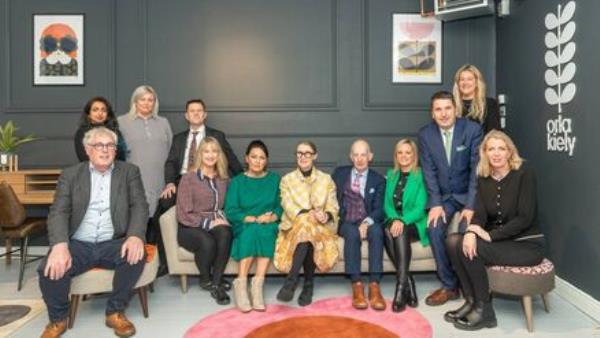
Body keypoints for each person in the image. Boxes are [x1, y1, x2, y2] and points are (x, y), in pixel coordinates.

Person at [38, 127, 148, 338]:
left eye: (110, 146)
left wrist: (135, 236)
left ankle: (115, 311)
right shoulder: (70, 175)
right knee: (48, 269)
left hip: (112, 241)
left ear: (116, 150)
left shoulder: (129, 172)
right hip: (78, 243)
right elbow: (58, 211)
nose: (105, 150)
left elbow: (139, 206)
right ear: (87, 149)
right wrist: (60, 245)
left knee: (136, 255)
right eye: (99, 145)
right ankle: (58, 319)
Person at [445, 130, 545, 330]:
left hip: (526, 244)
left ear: (510, 152)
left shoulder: (524, 173)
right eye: (491, 149)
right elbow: (480, 214)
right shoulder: (484, 177)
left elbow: (525, 218)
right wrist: (472, 232)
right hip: (500, 242)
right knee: (454, 241)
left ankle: (485, 311)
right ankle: (472, 301)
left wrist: (489, 236)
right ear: (485, 153)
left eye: (501, 148)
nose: (496, 153)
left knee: (474, 249)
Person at [153, 99, 242, 275]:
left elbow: (231, 159)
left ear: (205, 114)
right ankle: (165, 262)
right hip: (183, 180)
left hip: (209, 179)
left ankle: (203, 236)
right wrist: (170, 182)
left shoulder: (217, 135)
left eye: (199, 110)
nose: (195, 113)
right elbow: (170, 162)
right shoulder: (179, 138)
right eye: (192, 111)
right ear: (186, 115)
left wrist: (243, 180)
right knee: (162, 206)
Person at [418, 91, 483, 306]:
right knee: (434, 228)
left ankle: (471, 287)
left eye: (447, 108)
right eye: (438, 109)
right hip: (444, 197)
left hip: (468, 194)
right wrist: (436, 203)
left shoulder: (472, 130)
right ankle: (449, 286)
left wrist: (471, 204)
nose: (444, 113)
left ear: (455, 109)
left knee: (467, 232)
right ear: (432, 113)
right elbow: (428, 171)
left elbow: (477, 170)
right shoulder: (425, 134)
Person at [274, 141, 339, 306]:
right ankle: (308, 284)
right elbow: (287, 205)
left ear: (314, 156)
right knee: (305, 225)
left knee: (309, 229)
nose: (303, 157)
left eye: (307, 153)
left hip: (320, 228)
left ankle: (291, 282)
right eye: (299, 153)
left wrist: (326, 215)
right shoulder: (286, 180)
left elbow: (333, 206)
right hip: (294, 228)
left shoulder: (326, 179)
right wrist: (306, 215)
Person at [225, 140, 282, 312]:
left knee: (265, 230)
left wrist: (273, 217)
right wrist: (245, 217)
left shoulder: (275, 180)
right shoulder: (237, 182)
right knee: (251, 231)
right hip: (245, 224)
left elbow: (281, 206)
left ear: (266, 161)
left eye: (262, 158)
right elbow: (230, 210)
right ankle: (241, 284)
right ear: (247, 159)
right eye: (254, 157)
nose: (257, 161)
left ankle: (257, 285)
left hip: (267, 223)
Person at [176, 137, 232, 305]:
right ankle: (205, 278)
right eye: (206, 151)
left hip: (214, 219)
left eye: (214, 151)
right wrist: (208, 223)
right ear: (200, 154)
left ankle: (216, 283)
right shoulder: (189, 179)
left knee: (226, 232)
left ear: (219, 155)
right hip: (190, 226)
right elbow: (183, 213)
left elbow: (227, 205)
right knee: (207, 241)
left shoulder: (223, 179)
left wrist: (223, 219)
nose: (210, 155)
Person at [332, 139, 386, 311]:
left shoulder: (378, 180)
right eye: (356, 155)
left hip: (368, 218)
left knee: (377, 231)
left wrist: (366, 222)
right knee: (352, 233)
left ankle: (375, 285)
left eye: (363, 154)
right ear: (351, 157)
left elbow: (379, 209)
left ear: (370, 156)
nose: (360, 159)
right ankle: (357, 285)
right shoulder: (339, 174)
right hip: (346, 220)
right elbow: (329, 198)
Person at [383, 139, 429, 312]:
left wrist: (402, 221)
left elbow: (420, 207)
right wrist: (395, 219)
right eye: (400, 152)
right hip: (396, 220)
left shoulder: (420, 175)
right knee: (386, 231)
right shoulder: (391, 175)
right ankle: (408, 280)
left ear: (414, 155)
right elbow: (387, 204)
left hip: (415, 223)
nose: (404, 156)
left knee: (398, 232)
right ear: (396, 155)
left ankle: (400, 288)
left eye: (408, 152)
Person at [118, 85, 172, 220]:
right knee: (137, 219)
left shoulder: (163, 122)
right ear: (135, 101)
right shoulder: (121, 122)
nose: (147, 103)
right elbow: (117, 154)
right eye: (142, 99)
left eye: (150, 100)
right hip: (135, 179)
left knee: (158, 221)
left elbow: (171, 151)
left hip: (160, 180)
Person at [74, 96, 127, 161]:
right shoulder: (81, 133)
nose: (100, 113)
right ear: (88, 114)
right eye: (95, 110)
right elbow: (83, 157)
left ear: (107, 114)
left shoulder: (115, 131)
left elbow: (121, 155)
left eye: (103, 110)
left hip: (114, 169)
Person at [453, 64, 501, 134]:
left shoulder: (489, 104)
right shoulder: (451, 104)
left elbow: (494, 133)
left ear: (476, 83)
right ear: (458, 83)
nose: (465, 83)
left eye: (469, 79)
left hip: (482, 144)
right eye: (462, 79)